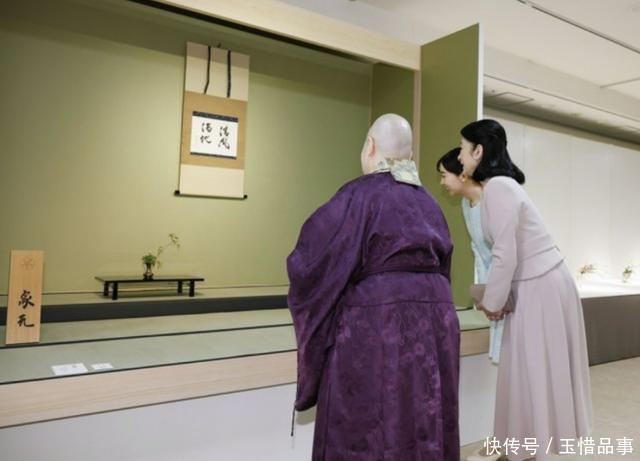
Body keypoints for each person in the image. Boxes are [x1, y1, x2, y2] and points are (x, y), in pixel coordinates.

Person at [287, 113, 460, 460]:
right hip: (437, 323)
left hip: (380, 323)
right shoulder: (429, 203)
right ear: (409, 156)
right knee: (424, 414)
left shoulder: (358, 195)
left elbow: (310, 261)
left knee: (371, 420)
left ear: (370, 147)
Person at [457, 119, 593, 461]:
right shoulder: (501, 186)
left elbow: (505, 253)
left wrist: (492, 303)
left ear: (478, 151)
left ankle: (530, 449)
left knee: (531, 370)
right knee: (524, 371)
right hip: (538, 282)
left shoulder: (498, 188)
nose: (460, 157)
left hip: (539, 285)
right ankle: (522, 448)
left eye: (462, 149)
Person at [437, 148, 504, 365]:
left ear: (462, 175)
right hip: (495, 287)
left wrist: (496, 296)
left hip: (510, 285)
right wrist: (485, 296)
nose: (442, 182)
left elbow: (504, 254)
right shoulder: (467, 203)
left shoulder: (493, 200)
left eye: (444, 175)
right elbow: (479, 252)